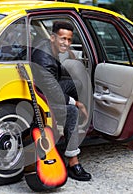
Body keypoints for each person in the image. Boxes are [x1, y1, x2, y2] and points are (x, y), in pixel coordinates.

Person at [30, 21, 91, 181]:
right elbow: (54, 93)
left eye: (69, 40)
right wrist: (78, 104)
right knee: (72, 111)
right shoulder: (44, 58)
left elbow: (55, 81)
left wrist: (69, 52)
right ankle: (73, 160)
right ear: (52, 37)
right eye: (62, 39)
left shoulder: (47, 44)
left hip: (47, 88)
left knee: (76, 84)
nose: (66, 43)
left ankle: (71, 128)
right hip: (42, 98)